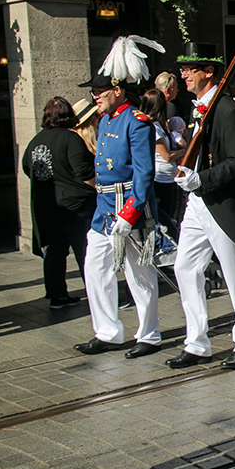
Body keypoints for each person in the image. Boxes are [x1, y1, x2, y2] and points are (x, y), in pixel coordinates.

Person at [167, 42, 235, 369]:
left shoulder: (227, 108)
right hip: (197, 202)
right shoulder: (199, 108)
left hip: (223, 202)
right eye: (183, 70)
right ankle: (196, 341)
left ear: (209, 72)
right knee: (185, 267)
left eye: (190, 70)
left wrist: (201, 179)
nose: (184, 75)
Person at [75, 34, 165, 358]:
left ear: (117, 89)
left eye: (99, 91)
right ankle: (108, 331)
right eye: (93, 92)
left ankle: (149, 334)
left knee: (138, 274)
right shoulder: (105, 119)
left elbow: (143, 173)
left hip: (130, 207)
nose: (94, 97)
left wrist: (130, 214)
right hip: (103, 209)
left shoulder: (136, 122)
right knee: (94, 267)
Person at [21, 97, 96, 309]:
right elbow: (84, 171)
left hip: (49, 205)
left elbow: (27, 168)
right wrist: (99, 188)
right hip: (76, 205)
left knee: (54, 252)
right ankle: (95, 293)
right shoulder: (70, 138)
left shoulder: (36, 140)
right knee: (86, 251)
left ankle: (57, 295)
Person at [139, 89, 184, 244]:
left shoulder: (159, 125)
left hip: (169, 178)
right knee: (166, 219)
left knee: (172, 217)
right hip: (161, 179)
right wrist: (186, 151)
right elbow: (167, 156)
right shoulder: (152, 127)